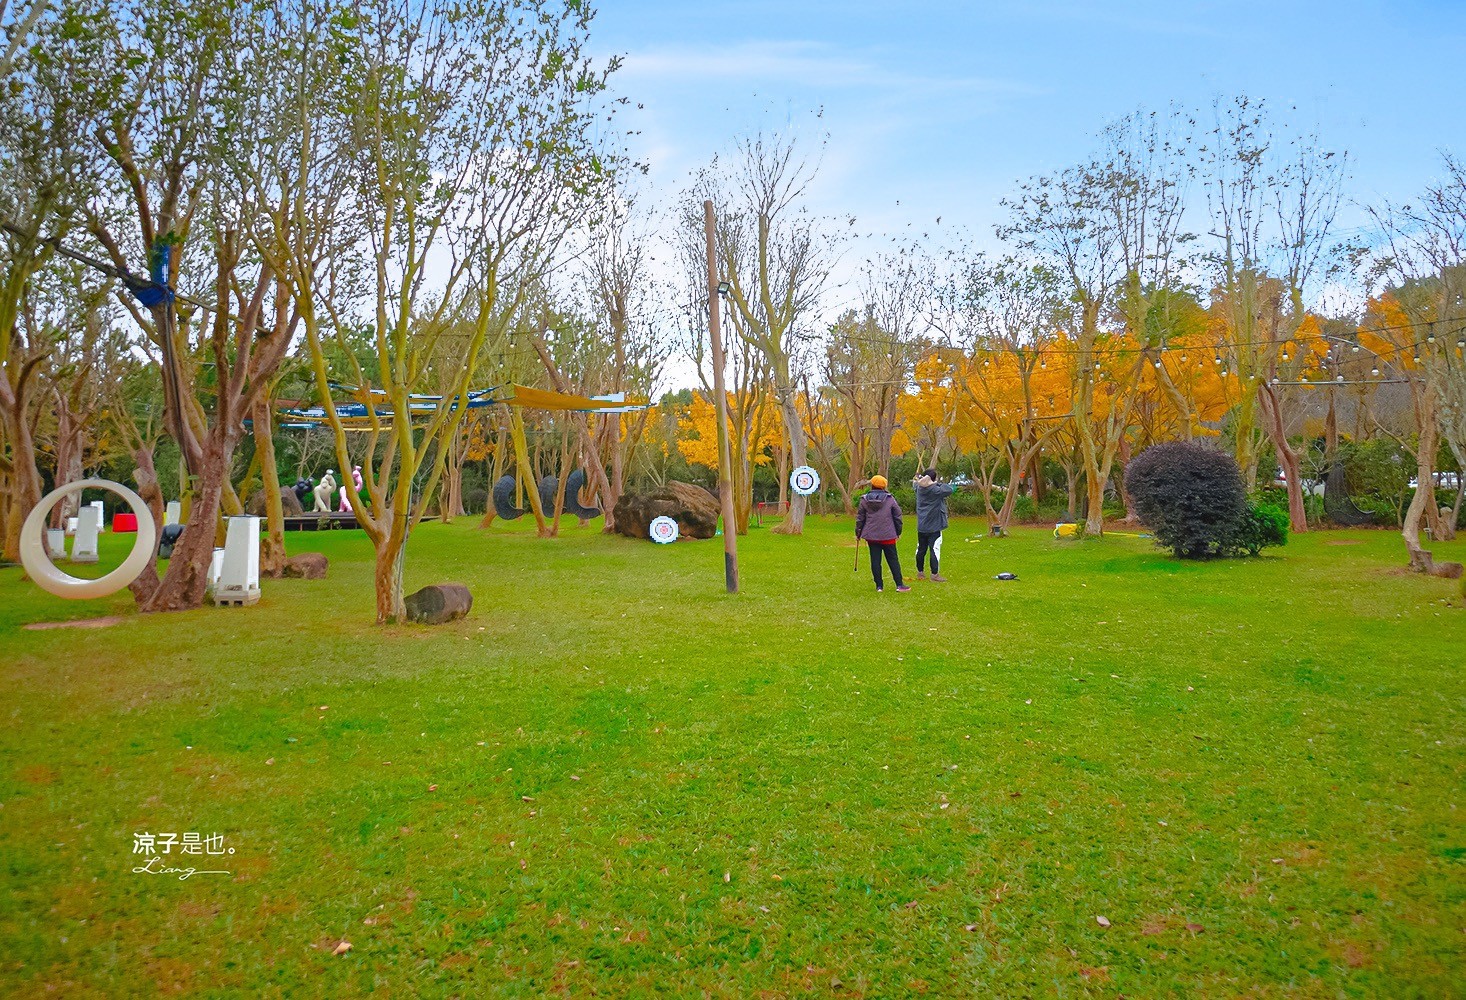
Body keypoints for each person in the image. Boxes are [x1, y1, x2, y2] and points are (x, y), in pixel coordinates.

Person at [855, 474, 909, 593]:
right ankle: (899, 585)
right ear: (884, 486)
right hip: (888, 535)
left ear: (872, 485)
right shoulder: (890, 499)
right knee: (893, 559)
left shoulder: (864, 499)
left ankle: (879, 586)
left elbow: (860, 518)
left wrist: (858, 533)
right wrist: (898, 531)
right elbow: (898, 516)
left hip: (871, 536)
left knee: (875, 560)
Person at [913, 468, 955, 582]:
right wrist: (937, 482)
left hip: (922, 526)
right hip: (934, 526)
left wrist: (919, 478)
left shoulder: (918, 488)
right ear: (933, 479)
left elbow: (914, 483)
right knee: (934, 549)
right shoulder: (935, 490)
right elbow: (949, 489)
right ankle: (934, 574)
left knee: (921, 549)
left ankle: (920, 572)